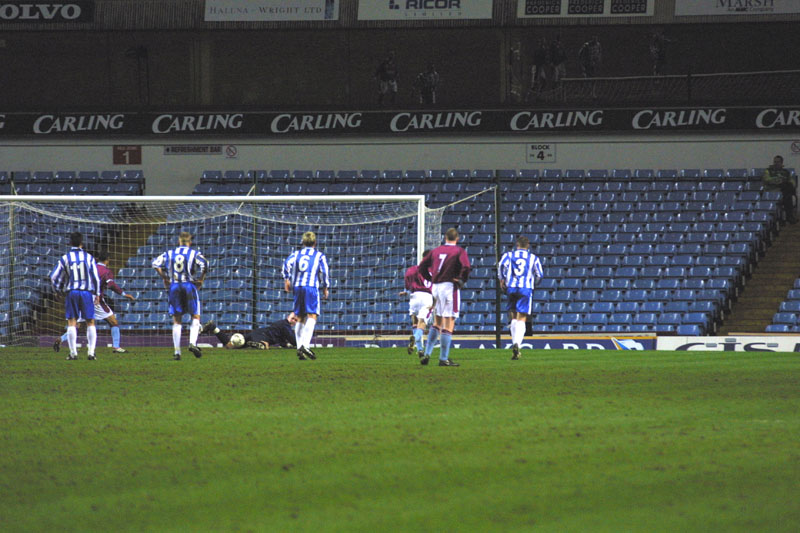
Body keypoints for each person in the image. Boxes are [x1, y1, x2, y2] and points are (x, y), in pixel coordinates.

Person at [53, 249, 136, 354]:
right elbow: (111, 285)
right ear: (108, 260)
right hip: (95, 299)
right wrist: (124, 294)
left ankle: (60, 339)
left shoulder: (89, 267)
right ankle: (116, 347)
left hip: (82, 296)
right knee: (113, 322)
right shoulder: (106, 271)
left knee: (77, 325)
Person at [417, 228, 471, 367]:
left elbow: (422, 266)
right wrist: (461, 280)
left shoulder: (435, 251)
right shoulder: (459, 251)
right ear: (457, 238)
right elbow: (466, 266)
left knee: (437, 321)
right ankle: (443, 358)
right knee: (449, 322)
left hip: (436, 287)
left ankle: (427, 353)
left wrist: (430, 277)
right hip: (449, 287)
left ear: (444, 238)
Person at [152, 231, 208, 361]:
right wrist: (201, 279)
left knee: (177, 320)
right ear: (190, 242)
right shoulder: (193, 253)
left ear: (178, 241)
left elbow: (155, 263)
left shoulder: (170, 253)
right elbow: (205, 264)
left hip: (174, 286)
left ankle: (177, 352)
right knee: (195, 315)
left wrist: (165, 277)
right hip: (189, 285)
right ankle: (193, 343)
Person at [49, 231, 101, 360]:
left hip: (72, 292)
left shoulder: (65, 258)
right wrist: (98, 293)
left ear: (70, 243)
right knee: (90, 321)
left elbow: (53, 277)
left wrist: (57, 290)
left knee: (71, 322)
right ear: (82, 243)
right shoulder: (89, 257)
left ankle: (73, 354)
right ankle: (91, 353)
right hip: (86, 292)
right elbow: (95, 277)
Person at [283, 231, 330, 361]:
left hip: (297, 287)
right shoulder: (319, 255)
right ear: (315, 242)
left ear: (303, 242)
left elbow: (286, 264)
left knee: (300, 317)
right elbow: (325, 272)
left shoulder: (296, 254)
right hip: (311, 287)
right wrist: (326, 287)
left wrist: (287, 280)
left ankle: (299, 348)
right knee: (312, 315)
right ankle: (305, 346)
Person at [498, 236, 544, 360]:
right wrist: (533, 284)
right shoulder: (533, 258)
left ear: (516, 245)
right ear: (527, 246)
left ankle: (514, 343)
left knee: (513, 315)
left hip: (511, 287)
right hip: (525, 288)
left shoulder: (508, 255)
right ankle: (518, 344)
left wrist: (502, 280)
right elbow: (540, 274)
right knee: (522, 317)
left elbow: (501, 266)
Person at [399, 250, 432, 359]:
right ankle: (415, 337)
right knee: (422, 323)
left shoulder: (411, 270)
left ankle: (420, 349)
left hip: (414, 297)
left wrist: (405, 292)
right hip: (427, 297)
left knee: (415, 322)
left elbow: (408, 286)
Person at [202, 313, 298, 350]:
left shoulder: (281, 324)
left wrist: (286, 345)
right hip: (263, 336)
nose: (293, 320)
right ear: (288, 316)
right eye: (293, 318)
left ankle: (214, 328)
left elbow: (281, 340)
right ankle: (257, 344)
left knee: (229, 346)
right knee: (265, 346)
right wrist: (300, 344)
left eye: (295, 320)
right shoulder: (285, 326)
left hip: (256, 333)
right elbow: (293, 340)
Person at [763, 155, 798, 224]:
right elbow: (766, 179)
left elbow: (792, 182)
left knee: (788, 188)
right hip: (772, 190)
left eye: (778, 162)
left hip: (783, 190)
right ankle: (789, 217)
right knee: (788, 195)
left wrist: (784, 182)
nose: (776, 163)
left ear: (782, 163)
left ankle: (785, 218)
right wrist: (779, 181)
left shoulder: (786, 172)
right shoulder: (768, 171)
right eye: (775, 162)